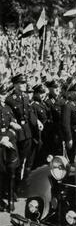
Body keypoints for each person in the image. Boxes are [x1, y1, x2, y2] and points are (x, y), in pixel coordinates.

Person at [6, 73, 38, 192]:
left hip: (27, 132)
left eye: (25, 83)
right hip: (16, 132)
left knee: (25, 160)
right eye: (21, 83)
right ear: (15, 85)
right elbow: (9, 116)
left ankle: (20, 185)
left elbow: (29, 113)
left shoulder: (25, 96)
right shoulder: (10, 99)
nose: (24, 85)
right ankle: (12, 188)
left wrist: (37, 122)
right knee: (16, 161)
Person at [0, 83, 19, 212]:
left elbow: (13, 124)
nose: (3, 96)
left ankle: (11, 199)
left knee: (11, 173)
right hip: (1, 144)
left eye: (5, 94)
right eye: (1, 94)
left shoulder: (7, 108)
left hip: (9, 142)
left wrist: (8, 135)